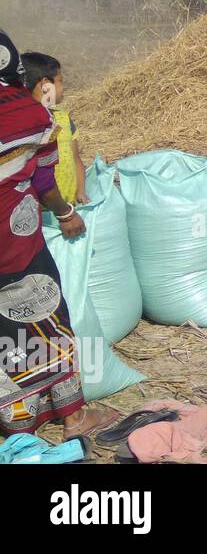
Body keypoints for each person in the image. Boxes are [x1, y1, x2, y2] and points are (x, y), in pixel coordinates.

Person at [0, 30, 117, 438]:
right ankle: (71, 416)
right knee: (47, 315)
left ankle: (17, 424)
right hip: (19, 242)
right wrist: (66, 212)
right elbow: (45, 180)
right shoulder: (32, 116)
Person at [21, 53, 88, 205]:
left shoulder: (63, 119)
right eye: (60, 81)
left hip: (69, 205)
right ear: (46, 85)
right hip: (40, 210)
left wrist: (81, 192)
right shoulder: (25, 126)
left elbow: (76, 159)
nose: (62, 87)